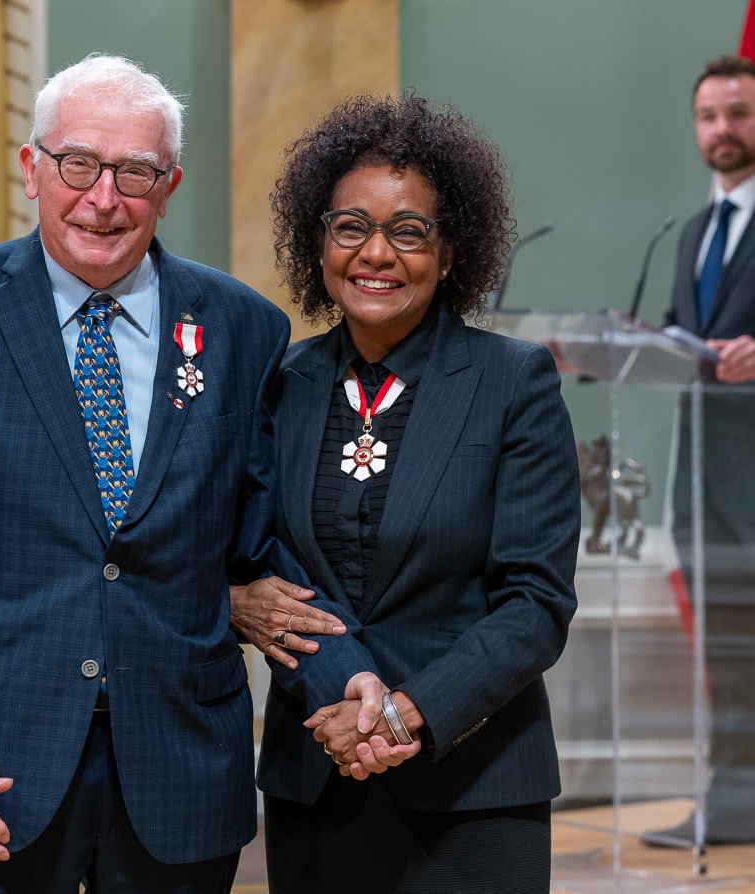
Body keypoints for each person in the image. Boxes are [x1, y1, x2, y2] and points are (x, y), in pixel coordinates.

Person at [0, 55, 384, 893]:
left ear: (169, 186)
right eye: (78, 164)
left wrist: (350, 677)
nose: (104, 197)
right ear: (32, 168)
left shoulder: (243, 328)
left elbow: (261, 552)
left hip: (179, 771)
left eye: (136, 172)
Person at [229, 94, 580, 893]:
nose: (376, 253)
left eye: (409, 231)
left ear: (449, 253)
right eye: (350, 227)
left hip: (474, 783)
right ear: (319, 242)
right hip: (318, 773)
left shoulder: (513, 382)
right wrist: (251, 610)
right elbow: (255, 560)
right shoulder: (279, 386)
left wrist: (405, 711)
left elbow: (535, 602)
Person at [653, 54, 755, 845]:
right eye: (709, 116)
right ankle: (734, 803)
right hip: (701, 484)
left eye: (740, 113)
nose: (723, 129)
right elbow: (678, 337)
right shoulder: (692, 231)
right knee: (730, 655)